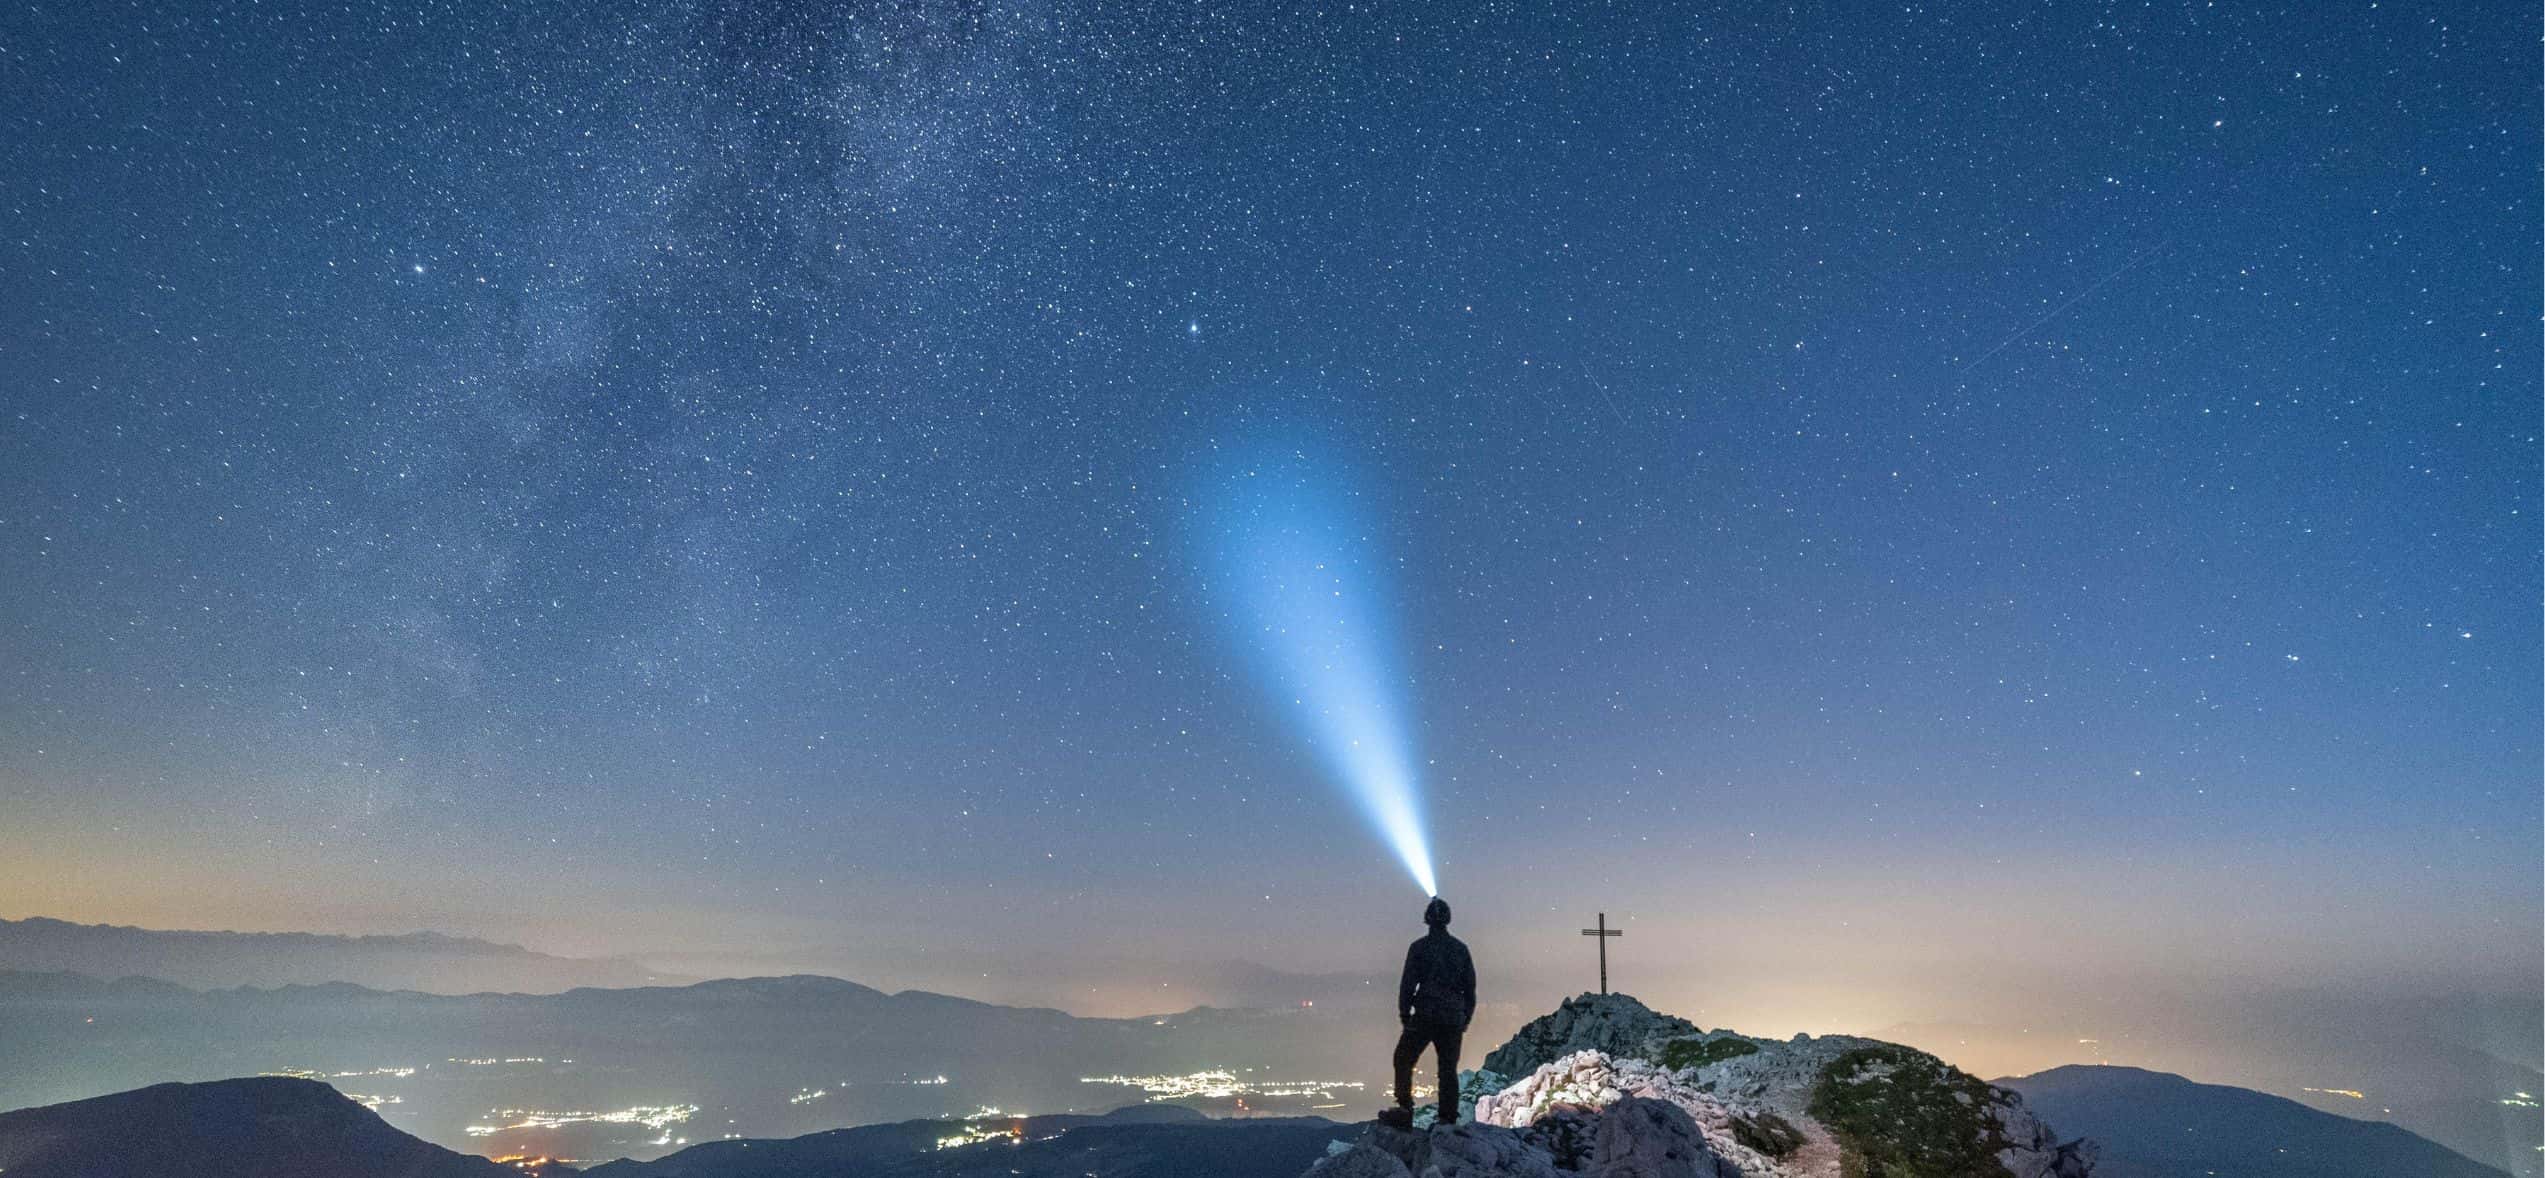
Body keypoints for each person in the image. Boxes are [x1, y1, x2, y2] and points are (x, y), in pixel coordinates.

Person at [1384, 895, 1476, 1128]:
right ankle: (1447, 1118)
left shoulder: (1419, 948)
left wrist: (1405, 1015)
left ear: (1427, 920)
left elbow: (1407, 984)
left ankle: (1404, 1109)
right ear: (1448, 919)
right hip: (1452, 1018)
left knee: (1403, 1058)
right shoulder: (1460, 949)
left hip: (1425, 1014)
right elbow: (1470, 989)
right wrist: (1464, 1019)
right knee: (1447, 1069)